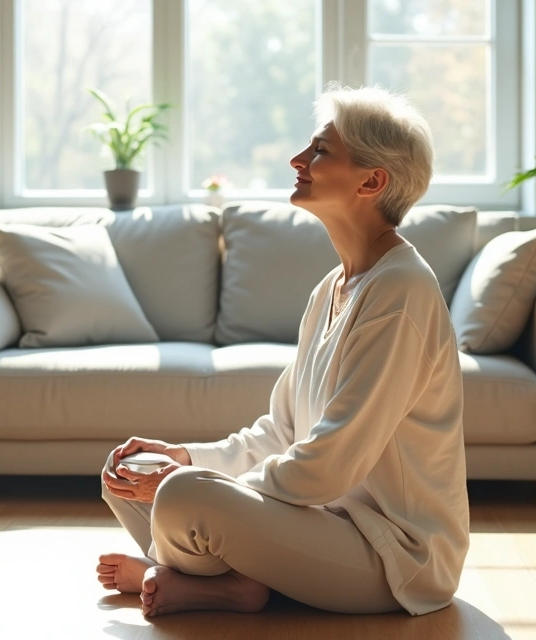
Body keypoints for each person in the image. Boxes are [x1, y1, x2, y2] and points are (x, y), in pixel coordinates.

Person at [97, 83, 469, 618]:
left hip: (392, 557)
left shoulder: (400, 291)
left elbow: (327, 467)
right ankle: (228, 584)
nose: (298, 160)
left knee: (181, 496)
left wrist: (191, 483)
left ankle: (211, 581)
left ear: (371, 181)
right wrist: (186, 458)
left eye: (320, 150)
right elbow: (280, 433)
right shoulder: (333, 288)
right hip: (318, 524)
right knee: (129, 473)